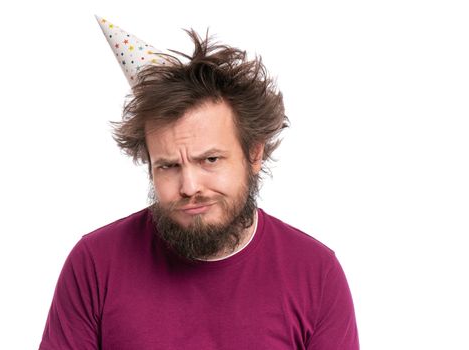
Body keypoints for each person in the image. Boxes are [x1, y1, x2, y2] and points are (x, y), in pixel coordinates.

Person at [39, 16, 359, 349]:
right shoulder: (94, 263)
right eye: (169, 165)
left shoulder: (316, 273)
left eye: (210, 160)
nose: (189, 186)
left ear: (254, 154)